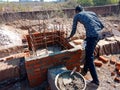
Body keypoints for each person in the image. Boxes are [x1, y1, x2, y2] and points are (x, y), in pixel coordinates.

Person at [67, 5, 104, 86]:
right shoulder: (92, 12)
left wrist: (69, 37)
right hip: (99, 34)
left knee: (89, 57)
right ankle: (85, 70)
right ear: (83, 9)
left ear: (76, 11)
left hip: (92, 36)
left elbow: (74, 29)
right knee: (88, 51)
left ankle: (96, 81)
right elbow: (102, 25)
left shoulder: (77, 15)